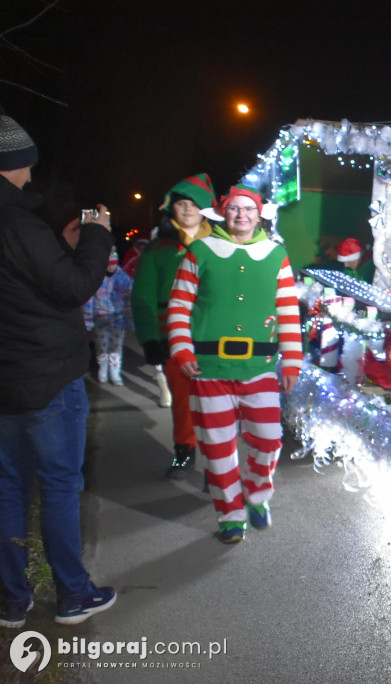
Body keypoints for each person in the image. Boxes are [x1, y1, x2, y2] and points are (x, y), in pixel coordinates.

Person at [0, 108, 117, 628]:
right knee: (60, 486)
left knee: (6, 489)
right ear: (16, 163)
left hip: (5, 380)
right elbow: (71, 287)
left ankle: (11, 599)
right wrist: (96, 235)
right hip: (46, 379)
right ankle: (72, 593)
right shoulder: (17, 223)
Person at [166, 184, 302, 543]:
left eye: (248, 209)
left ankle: (256, 494)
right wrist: (182, 350)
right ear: (222, 213)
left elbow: (288, 312)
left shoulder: (276, 255)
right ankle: (230, 514)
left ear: (259, 215)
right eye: (233, 209)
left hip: (258, 368)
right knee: (217, 447)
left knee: (270, 441)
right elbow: (179, 306)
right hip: (209, 369)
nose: (241, 215)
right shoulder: (199, 251)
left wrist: (291, 364)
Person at [131, 174, 215, 477]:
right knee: (183, 400)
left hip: (215, 337)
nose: (188, 209)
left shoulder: (222, 245)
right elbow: (142, 297)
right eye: (181, 204)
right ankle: (184, 451)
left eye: (194, 204)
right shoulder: (157, 250)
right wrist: (150, 339)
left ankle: (217, 464)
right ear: (172, 209)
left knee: (218, 401)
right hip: (174, 339)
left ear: (205, 208)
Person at [82, 247, 133, 385]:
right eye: (108, 264)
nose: (111, 267)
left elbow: (129, 298)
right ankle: (103, 368)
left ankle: (115, 370)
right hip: (100, 316)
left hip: (118, 318)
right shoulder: (97, 278)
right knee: (102, 344)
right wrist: (88, 319)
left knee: (116, 345)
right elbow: (89, 299)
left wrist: (130, 319)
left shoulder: (123, 278)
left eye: (113, 263)